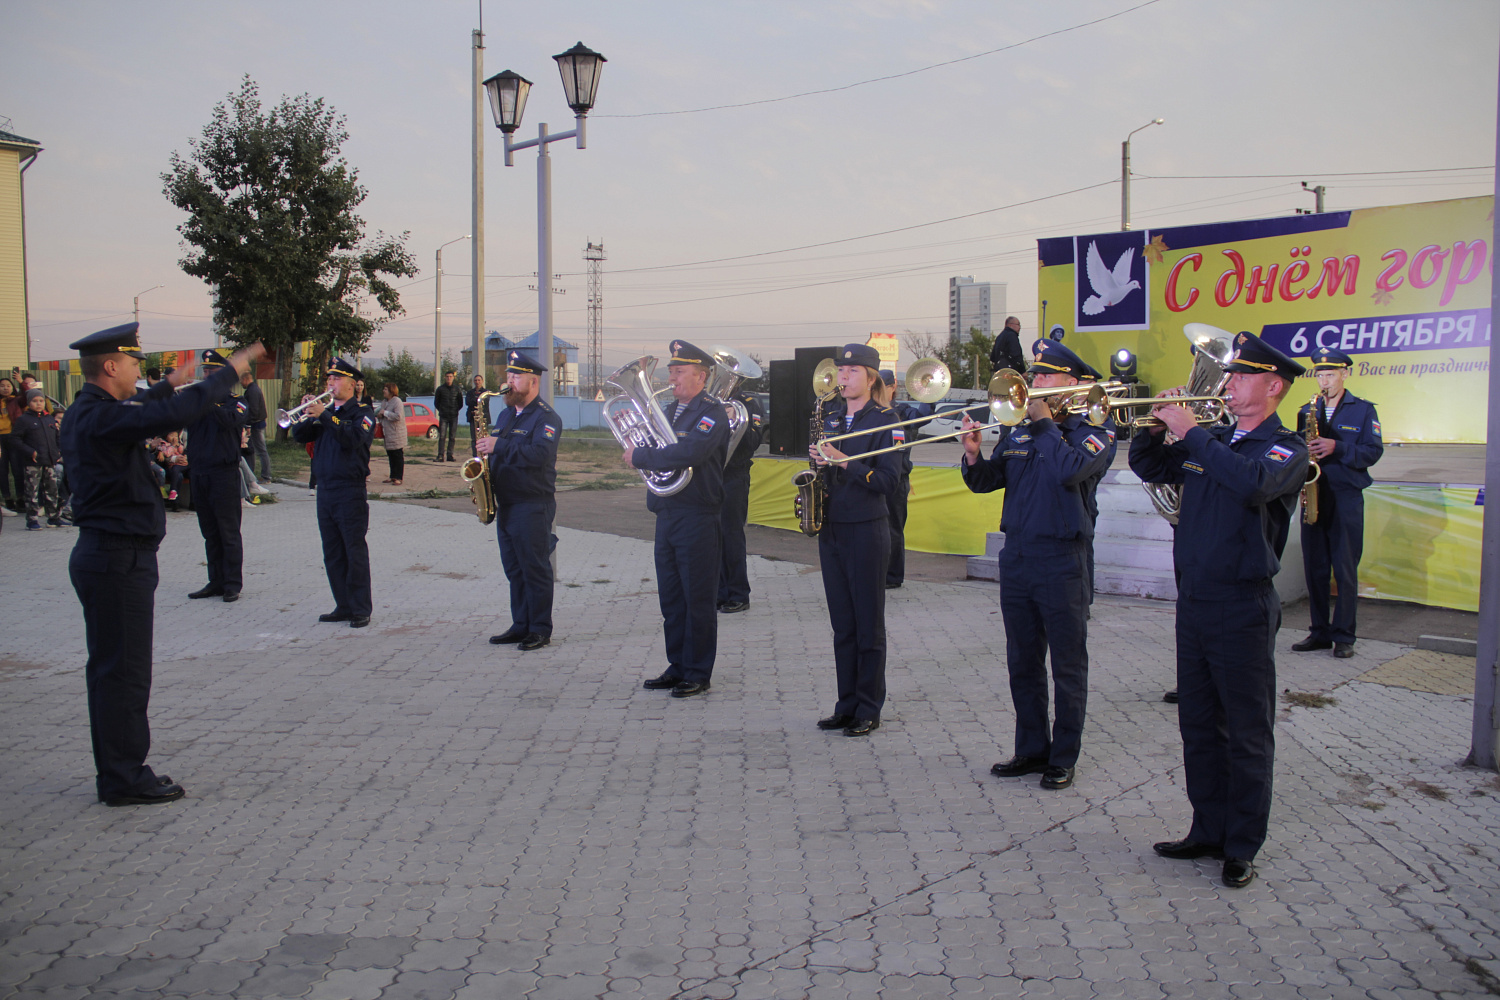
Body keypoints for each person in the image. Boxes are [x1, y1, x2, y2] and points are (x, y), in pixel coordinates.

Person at [1129, 330, 1308, 890]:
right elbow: (1150, 467)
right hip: (1197, 601)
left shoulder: (1284, 449)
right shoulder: (1217, 440)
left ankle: (1242, 844)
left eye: (1240, 376)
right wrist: (1158, 427)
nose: (1227, 383)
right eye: (1228, 374)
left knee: (1246, 731)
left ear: (1273, 386)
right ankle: (1206, 828)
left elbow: (1251, 487)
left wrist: (1193, 431)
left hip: (1243, 602)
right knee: (1200, 724)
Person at [60, 322, 264, 806]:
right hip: (117, 557)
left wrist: (166, 385)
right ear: (111, 367)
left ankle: (118, 770)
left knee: (113, 670)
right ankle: (124, 778)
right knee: (124, 673)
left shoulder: (90, 411)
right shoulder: (100, 417)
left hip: (111, 554)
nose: (139, 370)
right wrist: (228, 372)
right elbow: (170, 413)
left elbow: (140, 409)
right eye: (133, 364)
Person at [961, 341, 1113, 789]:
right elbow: (990, 481)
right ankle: (1030, 749)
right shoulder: (1018, 432)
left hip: (1063, 558)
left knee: (1067, 664)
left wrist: (1046, 424)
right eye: (1036, 376)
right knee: (1022, 661)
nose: (1035, 384)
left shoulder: (1095, 432)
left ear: (1071, 383)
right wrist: (972, 455)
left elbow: (1070, 472)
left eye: (1045, 377)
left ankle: (1063, 756)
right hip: (1019, 555)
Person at [624, 340, 730, 698]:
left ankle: (698, 671)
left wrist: (641, 455)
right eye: (670, 371)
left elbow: (691, 452)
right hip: (667, 512)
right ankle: (678, 665)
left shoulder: (712, 412)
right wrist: (648, 453)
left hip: (698, 515)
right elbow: (662, 448)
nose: (672, 377)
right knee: (672, 597)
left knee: (697, 597)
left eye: (679, 371)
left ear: (701, 376)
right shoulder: (668, 410)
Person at [810, 345, 902, 737]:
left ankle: (869, 707)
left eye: (851, 371)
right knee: (842, 625)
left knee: (868, 625)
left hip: (866, 528)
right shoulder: (829, 417)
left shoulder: (887, 420)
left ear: (870, 377)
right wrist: (816, 465)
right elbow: (821, 465)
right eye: (840, 370)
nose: (842, 377)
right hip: (833, 528)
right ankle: (845, 705)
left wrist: (844, 462)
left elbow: (888, 481)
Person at [1292, 347, 1383, 659]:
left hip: (1345, 497)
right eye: (1320, 374)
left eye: (1330, 374)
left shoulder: (1363, 410)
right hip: (1314, 495)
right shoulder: (1307, 410)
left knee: (1344, 570)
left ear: (1345, 374)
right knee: (1315, 568)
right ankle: (1319, 632)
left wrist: (1338, 447)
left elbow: (1372, 452)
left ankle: (1344, 635)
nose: (1324, 380)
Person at [478, 350, 561, 651]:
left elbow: (540, 454)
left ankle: (539, 628)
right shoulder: (504, 414)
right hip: (508, 503)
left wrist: (499, 445)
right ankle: (520, 624)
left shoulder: (547, 418)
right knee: (514, 568)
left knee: (535, 568)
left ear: (533, 381)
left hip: (532, 503)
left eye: (515, 377)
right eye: (508, 376)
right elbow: (496, 450)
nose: (508, 382)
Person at [293, 358, 375, 628]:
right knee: (332, 552)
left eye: (337, 379)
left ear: (352, 385)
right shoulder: (324, 412)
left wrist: (326, 416)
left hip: (349, 490)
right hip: (325, 489)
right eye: (329, 379)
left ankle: (361, 608)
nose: (330, 383)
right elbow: (299, 435)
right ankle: (343, 605)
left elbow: (352, 438)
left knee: (354, 550)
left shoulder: (362, 412)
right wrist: (308, 413)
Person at [183, 350, 250, 602]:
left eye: (212, 371)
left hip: (224, 474)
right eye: (205, 371)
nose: (206, 375)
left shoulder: (237, 400)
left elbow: (231, 421)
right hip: (200, 472)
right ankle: (215, 581)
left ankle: (232, 583)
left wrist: (209, 402)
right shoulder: (196, 400)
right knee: (209, 531)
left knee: (228, 532)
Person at [875, 369, 935, 590]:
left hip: (898, 479)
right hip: (877, 476)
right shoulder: (873, 410)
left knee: (894, 528)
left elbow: (922, 419)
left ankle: (893, 576)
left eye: (885, 386)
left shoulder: (903, 410)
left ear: (894, 387)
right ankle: (877, 572)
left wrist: (928, 393)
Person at [716, 377, 765, 614]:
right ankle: (717, 593)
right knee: (711, 536)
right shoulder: (709, 401)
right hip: (709, 476)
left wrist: (737, 420)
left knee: (731, 535)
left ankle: (738, 594)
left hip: (734, 476)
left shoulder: (748, 404)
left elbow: (754, 442)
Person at [15, 388, 64, 530]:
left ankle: (53, 517)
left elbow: (57, 437)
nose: (38, 404)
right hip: (33, 463)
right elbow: (15, 439)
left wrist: (58, 451)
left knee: (52, 490)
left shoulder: (49, 418)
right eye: (35, 401)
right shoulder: (24, 420)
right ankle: (32, 520)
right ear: (29, 403)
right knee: (32, 492)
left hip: (49, 461)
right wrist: (30, 452)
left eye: (41, 401)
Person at [240, 369, 272, 481]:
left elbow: (253, 410)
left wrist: (247, 425)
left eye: (241, 381)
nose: (241, 383)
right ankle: (252, 475)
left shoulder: (251, 391)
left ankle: (266, 476)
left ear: (245, 379)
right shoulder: (253, 389)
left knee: (261, 450)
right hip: (257, 422)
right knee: (252, 450)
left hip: (256, 424)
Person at [375, 382, 407, 485]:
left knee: (397, 455)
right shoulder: (384, 402)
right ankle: (392, 475)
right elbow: (381, 412)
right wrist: (380, 415)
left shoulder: (397, 401)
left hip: (396, 433)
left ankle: (399, 477)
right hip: (387, 433)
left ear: (391, 391)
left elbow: (398, 416)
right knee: (391, 455)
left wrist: (385, 413)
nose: (383, 391)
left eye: (385, 389)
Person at [0, 376, 20, 515]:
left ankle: (21, 498)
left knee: (17, 468)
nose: (5, 388)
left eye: (8, 385)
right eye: (2, 385)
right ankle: (7, 499)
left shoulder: (16, 400)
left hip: (13, 437)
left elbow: (26, 396)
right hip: (0, 438)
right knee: (2, 471)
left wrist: (21, 381)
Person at [433, 370, 464, 463]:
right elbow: (436, 403)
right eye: (447, 376)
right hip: (443, 416)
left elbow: (460, 403)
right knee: (442, 436)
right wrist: (442, 410)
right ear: (445, 378)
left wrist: (455, 410)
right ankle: (440, 455)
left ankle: (450, 455)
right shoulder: (440, 389)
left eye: (450, 376)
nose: (449, 378)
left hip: (454, 416)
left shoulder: (457, 389)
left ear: (453, 378)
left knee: (452, 437)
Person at [465, 373, 488, 458]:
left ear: (482, 381)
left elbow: (484, 403)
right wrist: (478, 399)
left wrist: (475, 400)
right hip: (473, 418)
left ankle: (484, 455)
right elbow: (468, 402)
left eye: (479, 380)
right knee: (474, 438)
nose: (477, 382)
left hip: (483, 418)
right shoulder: (470, 392)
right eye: (475, 380)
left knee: (483, 438)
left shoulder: (486, 392)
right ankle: (475, 456)